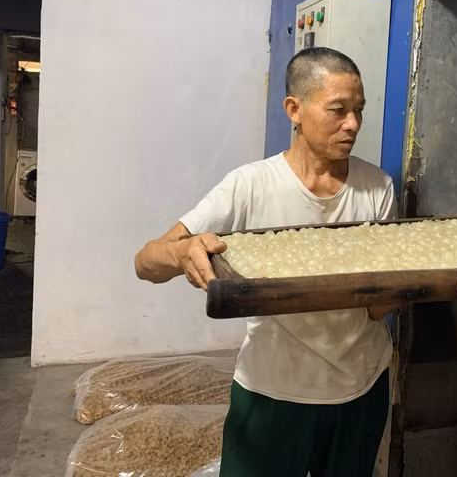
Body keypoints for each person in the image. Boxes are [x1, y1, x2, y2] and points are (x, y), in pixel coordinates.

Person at [134, 47, 398, 477]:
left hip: (360, 387)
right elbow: (145, 262)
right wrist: (181, 252)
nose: (353, 124)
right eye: (338, 110)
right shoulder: (250, 186)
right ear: (294, 110)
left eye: (359, 110)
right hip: (275, 390)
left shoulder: (377, 188)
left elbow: (374, 308)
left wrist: (411, 282)